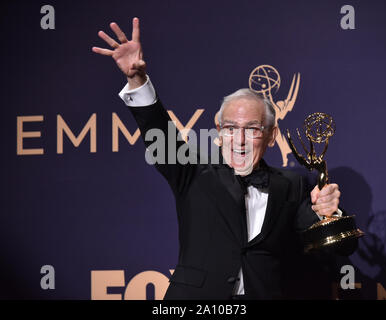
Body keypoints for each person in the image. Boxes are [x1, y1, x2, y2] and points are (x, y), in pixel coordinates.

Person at [92, 18, 350, 299]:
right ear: (219, 132)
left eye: (251, 129)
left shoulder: (294, 185)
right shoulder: (192, 170)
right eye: (230, 129)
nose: (239, 139)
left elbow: (333, 248)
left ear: (271, 135)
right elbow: (159, 133)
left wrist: (330, 214)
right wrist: (137, 79)